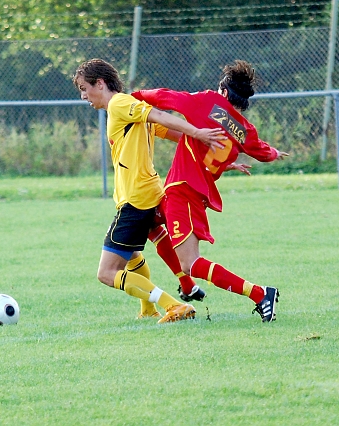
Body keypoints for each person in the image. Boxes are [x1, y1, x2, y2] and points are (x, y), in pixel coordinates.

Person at [133, 60, 289, 322]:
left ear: (225, 92)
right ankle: (187, 286)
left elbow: (165, 97)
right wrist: (273, 153)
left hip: (183, 192)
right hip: (191, 192)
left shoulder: (208, 103)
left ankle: (260, 294)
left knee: (191, 263)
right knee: (149, 222)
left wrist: (131, 97)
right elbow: (262, 152)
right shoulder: (245, 130)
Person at [73, 59, 224, 324]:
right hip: (145, 194)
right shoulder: (126, 109)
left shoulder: (119, 104)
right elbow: (170, 132)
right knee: (132, 255)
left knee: (107, 273)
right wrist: (217, 153)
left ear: (100, 83)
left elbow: (161, 117)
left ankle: (173, 305)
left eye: (85, 88)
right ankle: (149, 308)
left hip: (136, 201)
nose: (83, 96)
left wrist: (198, 132)